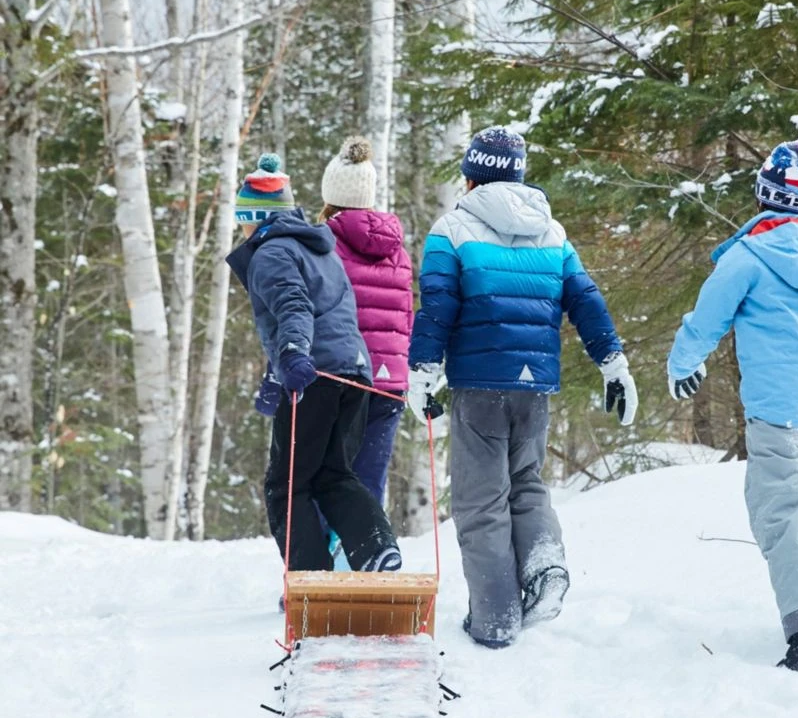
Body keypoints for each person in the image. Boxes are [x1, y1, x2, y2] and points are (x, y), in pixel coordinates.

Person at [407, 126, 637, 649]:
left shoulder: (453, 229)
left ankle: (495, 622)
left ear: (471, 176)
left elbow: (438, 306)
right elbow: (586, 300)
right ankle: (544, 565)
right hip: (535, 385)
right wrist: (612, 363)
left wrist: (421, 372)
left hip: (479, 386)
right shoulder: (551, 232)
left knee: (481, 501)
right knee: (526, 482)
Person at [667, 132, 798, 675]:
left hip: (777, 405)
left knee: (776, 506)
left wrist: (682, 364)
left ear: (768, 197)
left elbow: (706, 319)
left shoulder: (749, 257)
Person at [226, 152, 402, 574]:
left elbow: (294, 307)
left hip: (314, 376)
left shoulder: (271, 253)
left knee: (285, 486)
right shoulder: (320, 250)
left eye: (243, 219)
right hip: (353, 374)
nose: (241, 228)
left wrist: (292, 354)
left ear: (258, 216)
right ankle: (376, 548)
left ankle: (310, 578)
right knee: (333, 474)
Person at [319, 136, 413, 506]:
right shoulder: (397, 250)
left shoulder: (322, 242)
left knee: (327, 476)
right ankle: (363, 555)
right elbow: (404, 313)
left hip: (339, 375)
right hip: (389, 380)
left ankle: (327, 560)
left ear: (330, 195)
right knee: (369, 480)